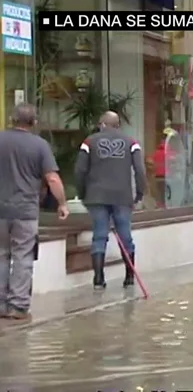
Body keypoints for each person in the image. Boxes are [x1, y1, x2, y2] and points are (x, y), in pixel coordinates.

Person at [0, 104, 69, 320]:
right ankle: (18, 306)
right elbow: (52, 178)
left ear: (12, 119)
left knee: (1, 255)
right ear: (34, 122)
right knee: (22, 256)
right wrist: (63, 203)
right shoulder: (40, 145)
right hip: (25, 211)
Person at [74, 111, 146, 290]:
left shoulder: (89, 142)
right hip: (122, 197)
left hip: (96, 196)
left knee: (99, 235)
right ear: (118, 125)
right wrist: (139, 193)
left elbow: (79, 171)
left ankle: (98, 279)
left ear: (101, 124)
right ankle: (129, 278)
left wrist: (82, 194)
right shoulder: (131, 143)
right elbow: (140, 170)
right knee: (125, 236)